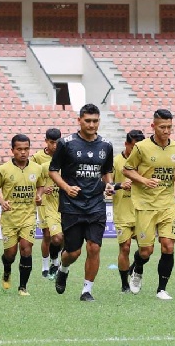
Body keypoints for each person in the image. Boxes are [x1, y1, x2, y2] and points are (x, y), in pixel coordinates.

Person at [49, 104, 114, 302]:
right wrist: (66, 187)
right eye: (88, 121)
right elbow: (53, 170)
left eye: (95, 121)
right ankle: (63, 267)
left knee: (94, 247)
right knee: (73, 252)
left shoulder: (106, 146)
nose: (92, 124)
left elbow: (106, 171)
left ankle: (87, 290)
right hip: (72, 205)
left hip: (96, 204)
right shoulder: (66, 143)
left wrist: (109, 184)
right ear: (79, 121)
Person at [123, 110, 175, 300]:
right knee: (146, 251)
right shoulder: (141, 147)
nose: (166, 131)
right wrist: (143, 180)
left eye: (169, 127)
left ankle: (161, 289)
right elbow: (127, 169)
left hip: (167, 204)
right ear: (153, 126)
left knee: (168, 246)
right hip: (145, 204)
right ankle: (138, 268)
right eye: (162, 127)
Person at [0, 134, 43, 296]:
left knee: (26, 248)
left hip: (29, 217)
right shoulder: (3, 169)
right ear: (12, 150)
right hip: (10, 218)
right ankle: (7, 270)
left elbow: (40, 185)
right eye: (19, 149)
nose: (23, 152)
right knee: (10, 254)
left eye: (26, 149)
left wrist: (39, 195)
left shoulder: (36, 168)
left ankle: (22, 287)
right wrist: (1, 201)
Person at [111, 129, 145, 293]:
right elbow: (106, 185)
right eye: (133, 147)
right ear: (126, 144)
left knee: (146, 249)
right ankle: (125, 284)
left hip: (142, 211)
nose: (136, 151)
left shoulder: (144, 162)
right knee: (125, 247)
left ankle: (135, 268)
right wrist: (119, 185)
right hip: (122, 212)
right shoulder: (116, 161)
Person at [31, 128, 62, 279]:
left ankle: (54, 261)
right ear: (46, 142)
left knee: (60, 236)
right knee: (47, 235)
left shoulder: (63, 156)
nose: (54, 146)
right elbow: (32, 178)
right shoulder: (37, 157)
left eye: (56, 143)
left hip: (60, 201)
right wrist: (42, 191)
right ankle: (45, 265)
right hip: (44, 201)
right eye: (51, 143)